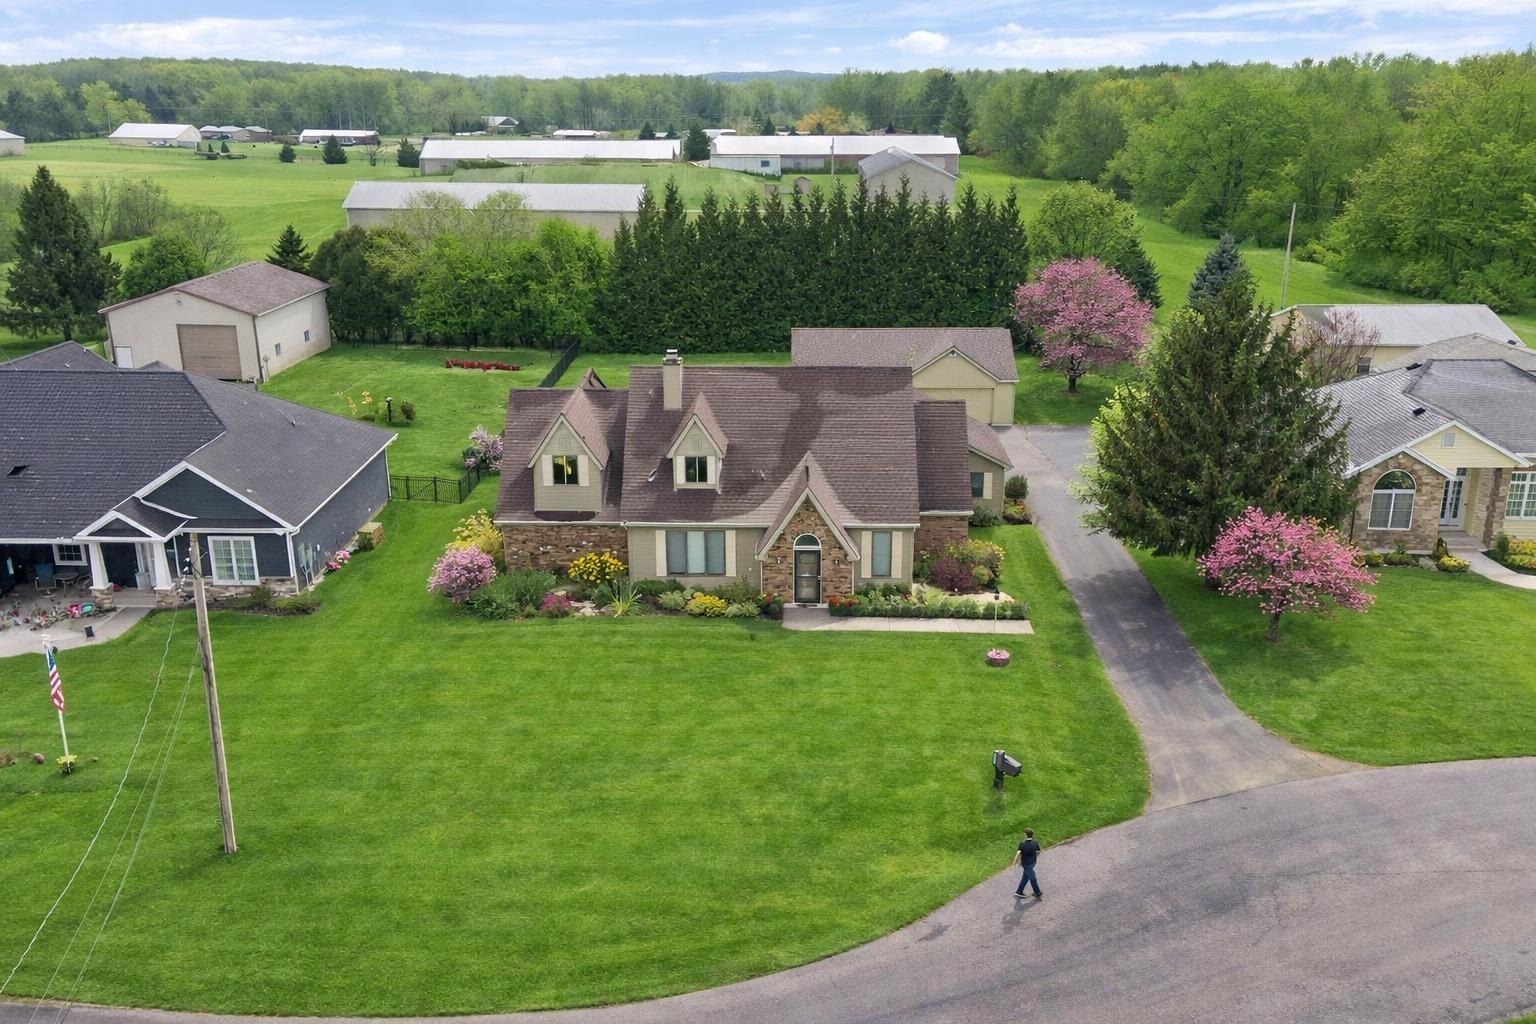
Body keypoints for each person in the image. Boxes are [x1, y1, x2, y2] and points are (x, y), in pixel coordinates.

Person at [1013, 828, 1042, 899]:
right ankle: (1037, 892)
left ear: (1025, 835)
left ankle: (1019, 891)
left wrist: (1014, 862)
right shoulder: (1035, 842)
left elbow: (1018, 853)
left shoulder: (1022, 844)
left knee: (1027, 877)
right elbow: (1038, 851)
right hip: (1033, 863)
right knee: (1032, 877)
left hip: (1026, 864)